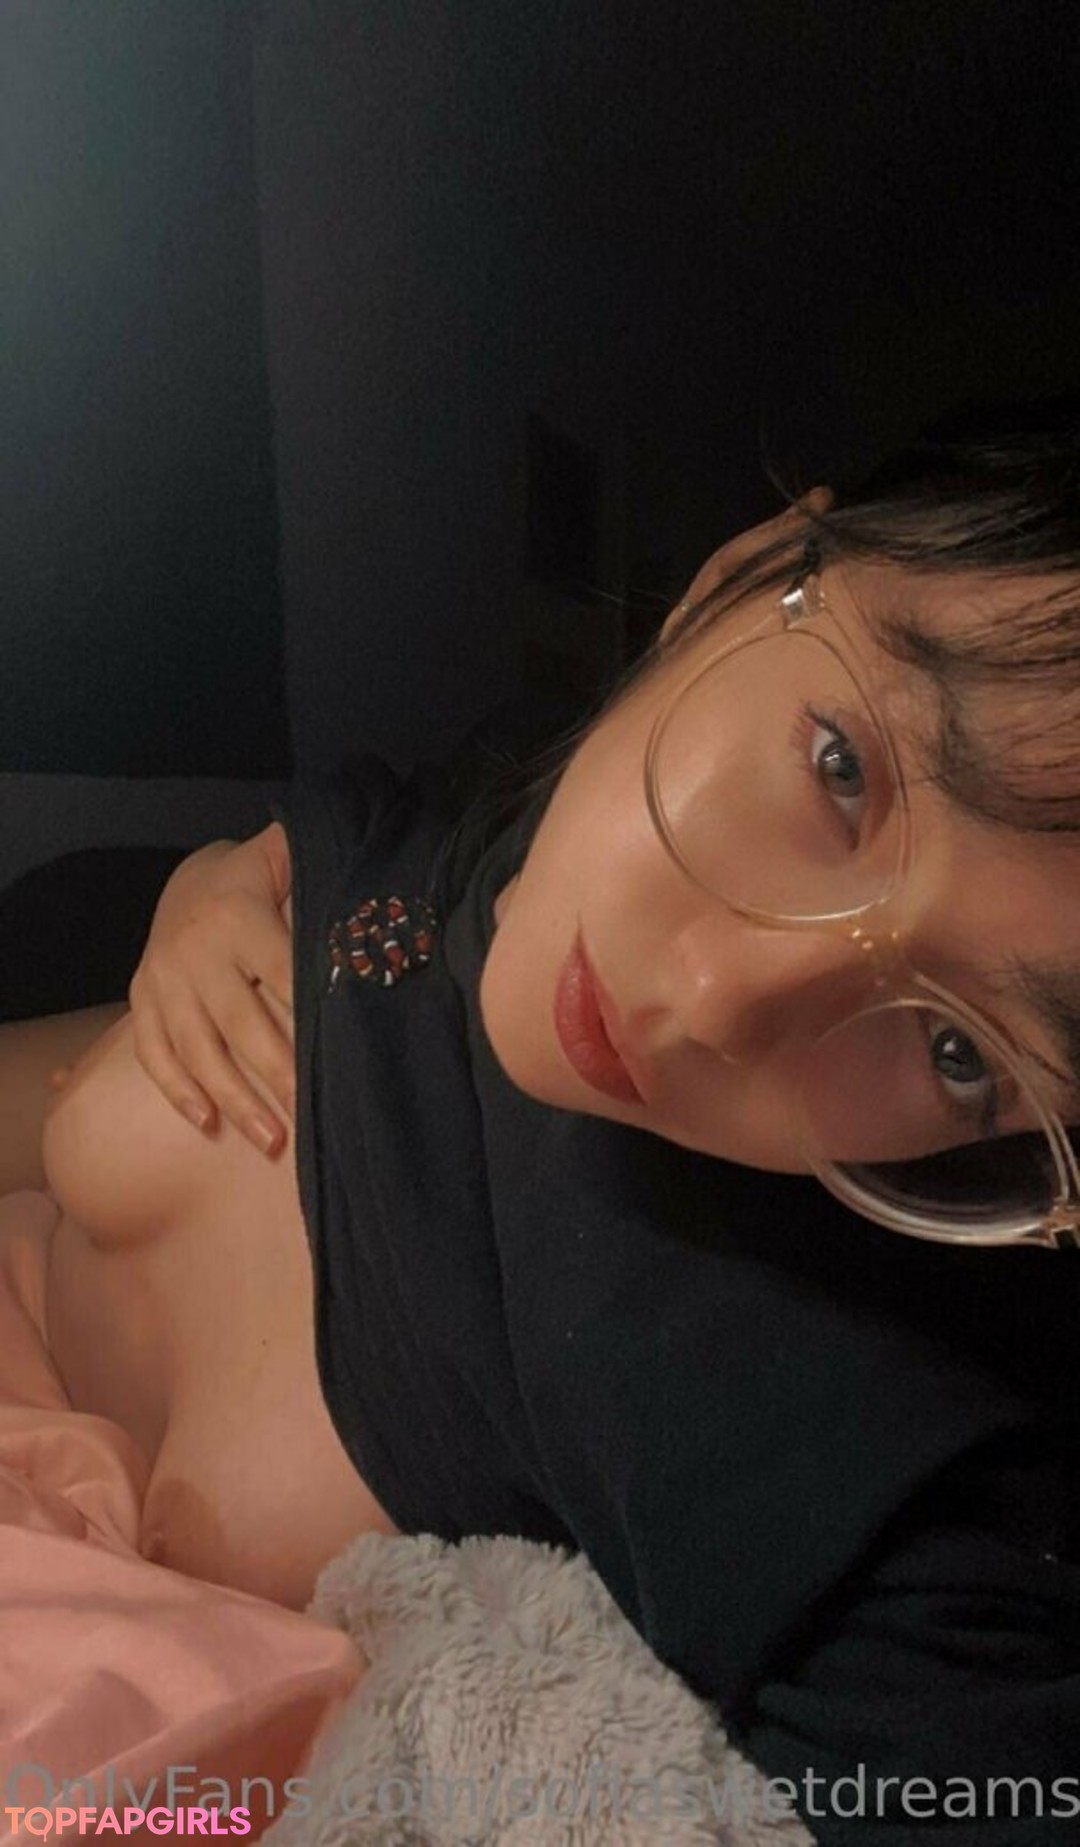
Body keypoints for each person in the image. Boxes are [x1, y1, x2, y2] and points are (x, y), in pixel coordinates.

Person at [8, 394, 1080, 1842]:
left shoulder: (815, 1403)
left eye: (959, 1052)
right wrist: (219, 879)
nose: (715, 1002)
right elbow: (388, 826)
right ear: (746, 570)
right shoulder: (531, 793)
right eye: (840, 769)